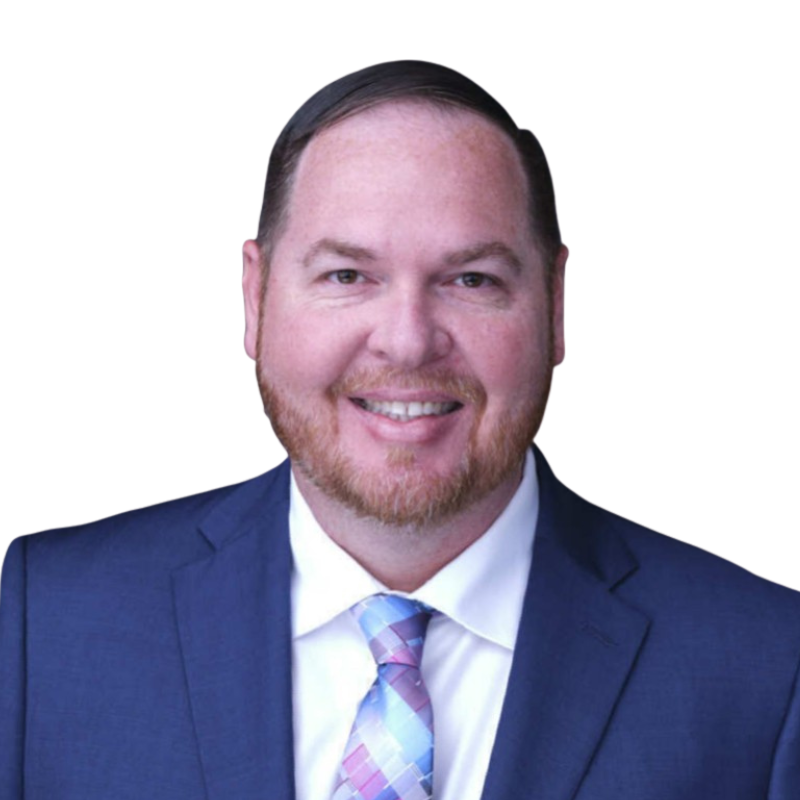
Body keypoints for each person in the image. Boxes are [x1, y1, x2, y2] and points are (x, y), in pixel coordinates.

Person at [1, 60, 798, 800]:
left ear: (555, 306)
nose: (408, 340)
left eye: (472, 279)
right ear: (256, 297)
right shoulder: (48, 622)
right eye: (348, 276)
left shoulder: (765, 670)